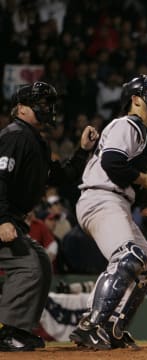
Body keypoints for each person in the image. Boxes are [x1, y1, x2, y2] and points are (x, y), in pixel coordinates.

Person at [69, 74, 147, 350]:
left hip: (114, 200)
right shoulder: (129, 123)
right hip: (101, 198)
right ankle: (91, 325)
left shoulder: (139, 130)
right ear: (135, 100)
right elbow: (113, 163)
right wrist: (144, 180)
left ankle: (114, 326)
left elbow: (123, 176)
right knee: (129, 254)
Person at [0, 81, 98, 351]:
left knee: (40, 261)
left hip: (13, 217)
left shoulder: (33, 140)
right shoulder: (15, 136)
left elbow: (60, 176)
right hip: (4, 216)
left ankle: (17, 328)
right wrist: (3, 219)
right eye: (39, 103)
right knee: (29, 263)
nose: (47, 108)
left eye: (48, 103)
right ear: (20, 108)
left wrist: (82, 150)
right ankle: (5, 330)